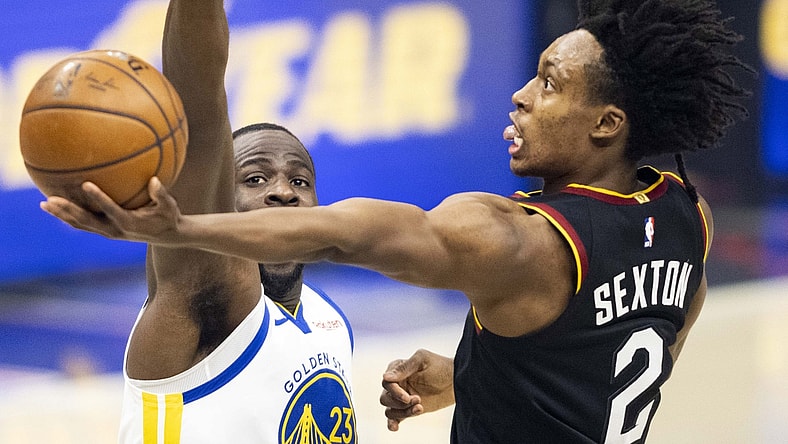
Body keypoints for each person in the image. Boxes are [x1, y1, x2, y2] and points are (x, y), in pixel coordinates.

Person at [41, 0, 751, 442]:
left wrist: (172, 226)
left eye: (548, 83)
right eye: (253, 178)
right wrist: (482, 374)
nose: (520, 94)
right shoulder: (688, 216)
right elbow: (629, 352)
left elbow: (344, 233)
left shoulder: (518, 240)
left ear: (607, 123)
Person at [99, 0, 355, 442]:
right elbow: (199, 111)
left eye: (300, 180)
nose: (283, 191)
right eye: (255, 178)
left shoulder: (328, 318)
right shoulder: (209, 295)